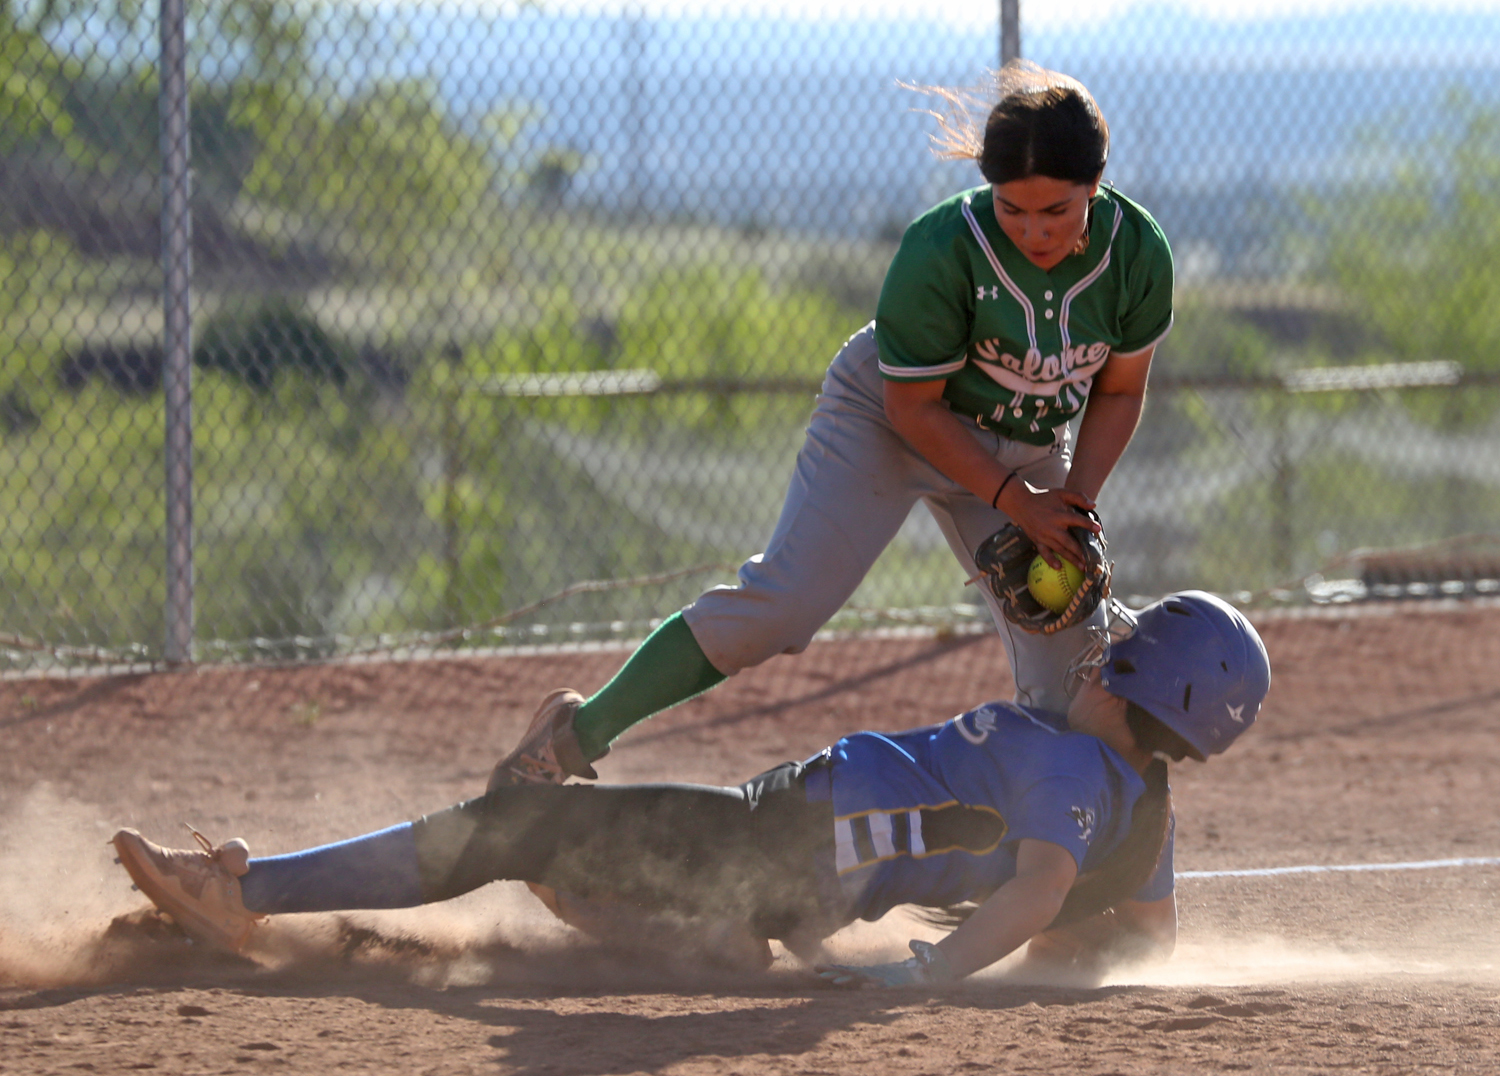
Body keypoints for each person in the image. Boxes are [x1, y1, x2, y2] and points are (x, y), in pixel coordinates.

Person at [489, 60, 1174, 789]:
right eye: (1013, 208)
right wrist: (1017, 504)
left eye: (1057, 210)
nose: (1034, 230)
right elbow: (913, 408)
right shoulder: (943, 248)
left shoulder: (1135, 255)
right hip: (889, 419)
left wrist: (1071, 508)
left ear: (1096, 188)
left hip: (1027, 446)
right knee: (781, 609)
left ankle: (1059, 859)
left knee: (1072, 660)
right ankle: (571, 735)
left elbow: (1119, 392)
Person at [111, 591, 1266, 986]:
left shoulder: (1069, 766)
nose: (1095, 643)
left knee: (518, 824)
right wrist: (1056, 948)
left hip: (777, 841)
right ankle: (697, 930)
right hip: (789, 869)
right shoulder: (1143, 808)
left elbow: (1037, 887)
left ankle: (247, 891)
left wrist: (931, 970)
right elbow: (1143, 938)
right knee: (594, 858)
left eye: (1121, 642)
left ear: (1132, 674)